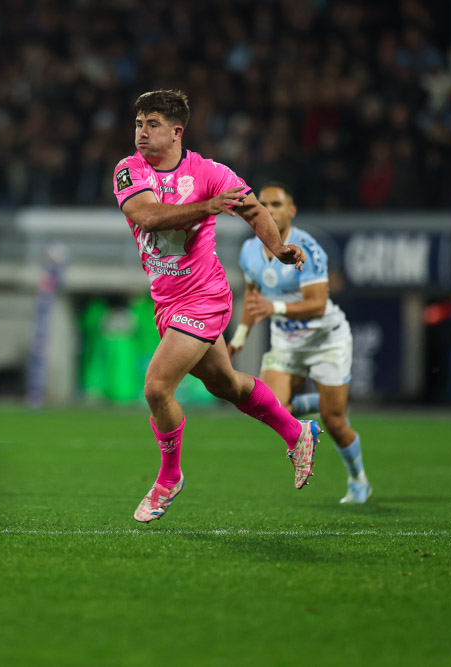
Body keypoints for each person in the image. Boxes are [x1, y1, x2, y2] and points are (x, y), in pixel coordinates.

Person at [113, 90, 321, 523]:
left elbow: (254, 209)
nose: (141, 134)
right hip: (167, 300)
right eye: (138, 124)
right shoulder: (128, 171)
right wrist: (206, 207)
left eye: (152, 124)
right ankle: (297, 432)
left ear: (176, 131)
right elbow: (148, 217)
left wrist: (277, 246)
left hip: (205, 296)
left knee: (156, 387)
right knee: (225, 385)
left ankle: (169, 477)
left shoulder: (209, 172)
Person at [228, 183, 371, 503]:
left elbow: (317, 304)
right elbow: (253, 297)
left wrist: (275, 308)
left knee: (335, 422)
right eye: (262, 204)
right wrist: (239, 338)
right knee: (269, 407)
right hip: (287, 343)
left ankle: (358, 478)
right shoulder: (249, 250)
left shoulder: (309, 248)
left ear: (291, 211)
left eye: (276, 204)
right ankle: (316, 407)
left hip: (325, 340)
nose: (268, 209)